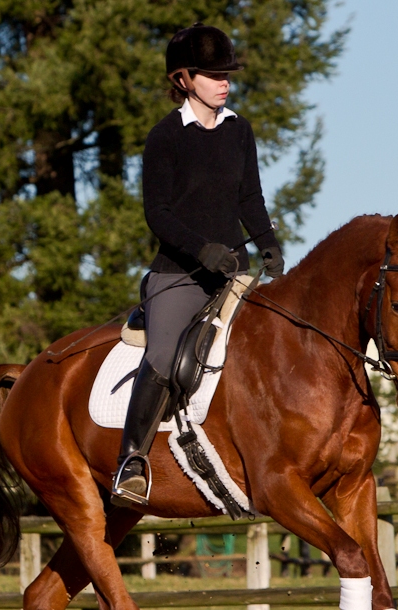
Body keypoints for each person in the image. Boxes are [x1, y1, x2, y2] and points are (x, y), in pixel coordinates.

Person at [112, 22, 284, 504]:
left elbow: (250, 197)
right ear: (184, 79)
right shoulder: (164, 137)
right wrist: (201, 249)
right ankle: (132, 460)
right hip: (180, 274)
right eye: (212, 74)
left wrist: (269, 244)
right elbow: (157, 214)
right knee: (165, 357)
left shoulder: (239, 130)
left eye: (227, 72)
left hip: (233, 273)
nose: (224, 81)